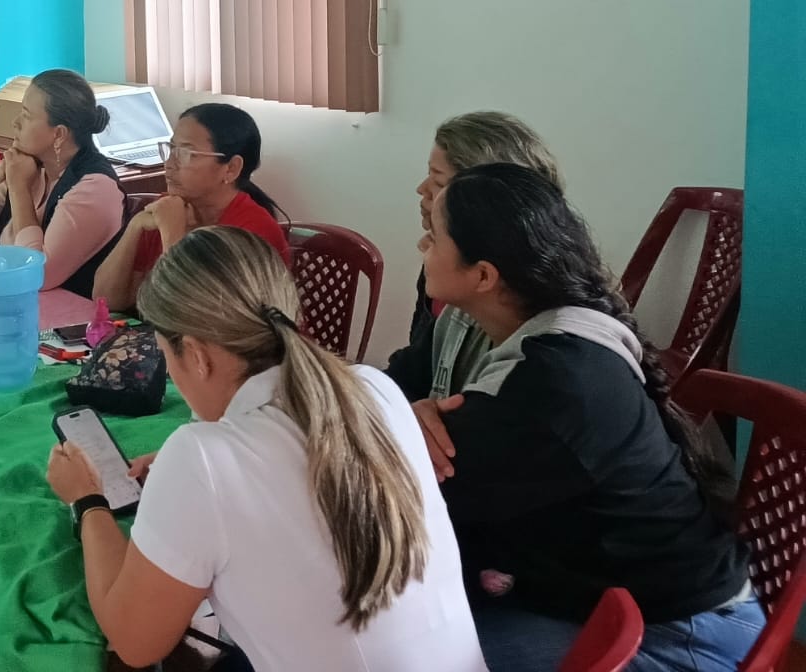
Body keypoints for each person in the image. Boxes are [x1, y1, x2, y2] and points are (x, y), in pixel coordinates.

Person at [47, 227, 486, 672]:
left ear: (196, 356)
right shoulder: (375, 388)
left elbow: (135, 641)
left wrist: (88, 500)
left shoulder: (201, 459)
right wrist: (196, 480)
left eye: (167, 357)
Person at [416, 164, 758, 671]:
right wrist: (412, 413)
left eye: (434, 237)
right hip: (617, 598)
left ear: (483, 275)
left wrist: (406, 423)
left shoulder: (551, 381)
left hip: (679, 636)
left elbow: (417, 497)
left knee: (408, 651)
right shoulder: (554, 334)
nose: (423, 246)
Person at [384, 112, 562, 401]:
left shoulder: (539, 349)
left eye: (438, 181)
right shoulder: (444, 274)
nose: (422, 189)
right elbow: (414, 371)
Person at [92, 103, 291, 311]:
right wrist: (135, 227)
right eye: (171, 149)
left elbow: (192, 315)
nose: (169, 164)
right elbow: (106, 301)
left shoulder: (253, 230)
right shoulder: (168, 207)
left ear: (231, 169)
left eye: (186, 153)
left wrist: (172, 233)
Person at [0, 70, 124, 297]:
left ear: (59, 134)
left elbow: (36, 274)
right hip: (15, 303)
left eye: (26, 116)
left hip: (72, 315)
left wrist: (19, 188)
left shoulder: (95, 189)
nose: (15, 123)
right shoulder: (30, 166)